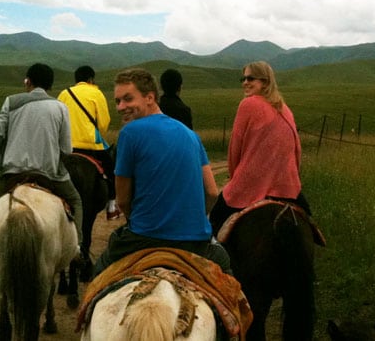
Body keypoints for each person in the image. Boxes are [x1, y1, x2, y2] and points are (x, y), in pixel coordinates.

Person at [93, 68, 231, 276]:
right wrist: (188, 220)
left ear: (150, 97)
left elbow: (122, 201)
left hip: (144, 239)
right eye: (117, 101)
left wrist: (142, 222)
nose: (121, 107)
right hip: (194, 242)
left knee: (99, 276)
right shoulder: (191, 135)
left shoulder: (129, 133)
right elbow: (211, 192)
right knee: (227, 278)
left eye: (128, 99)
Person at [0, 63, 84, 253]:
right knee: (76, 201)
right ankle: (76, 249)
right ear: (50, 85)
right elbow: (66, 149)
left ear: (27, 81)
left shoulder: (11, 102)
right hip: (49, 174)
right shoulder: (60, 108)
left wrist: (7, 149)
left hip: (12, 173)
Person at [209, 61, 312, 235]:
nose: (245, 82)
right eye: (243, 78)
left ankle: (214, 257)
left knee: (215, 218)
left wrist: (235, 178)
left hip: (253, 182)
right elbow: (297, 149)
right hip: (287, 185)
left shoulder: (248, 104)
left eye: (251, 78)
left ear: (264, 81)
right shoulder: (285, 108)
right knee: (307, 219)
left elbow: (235, 147)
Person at [57, 65, 121, 220]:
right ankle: (112, 205)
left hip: (65, 146)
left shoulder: (64, 94)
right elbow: (104, 123)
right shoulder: (96, 93)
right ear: (91, 79)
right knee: (110, 167)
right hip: (90, 144)